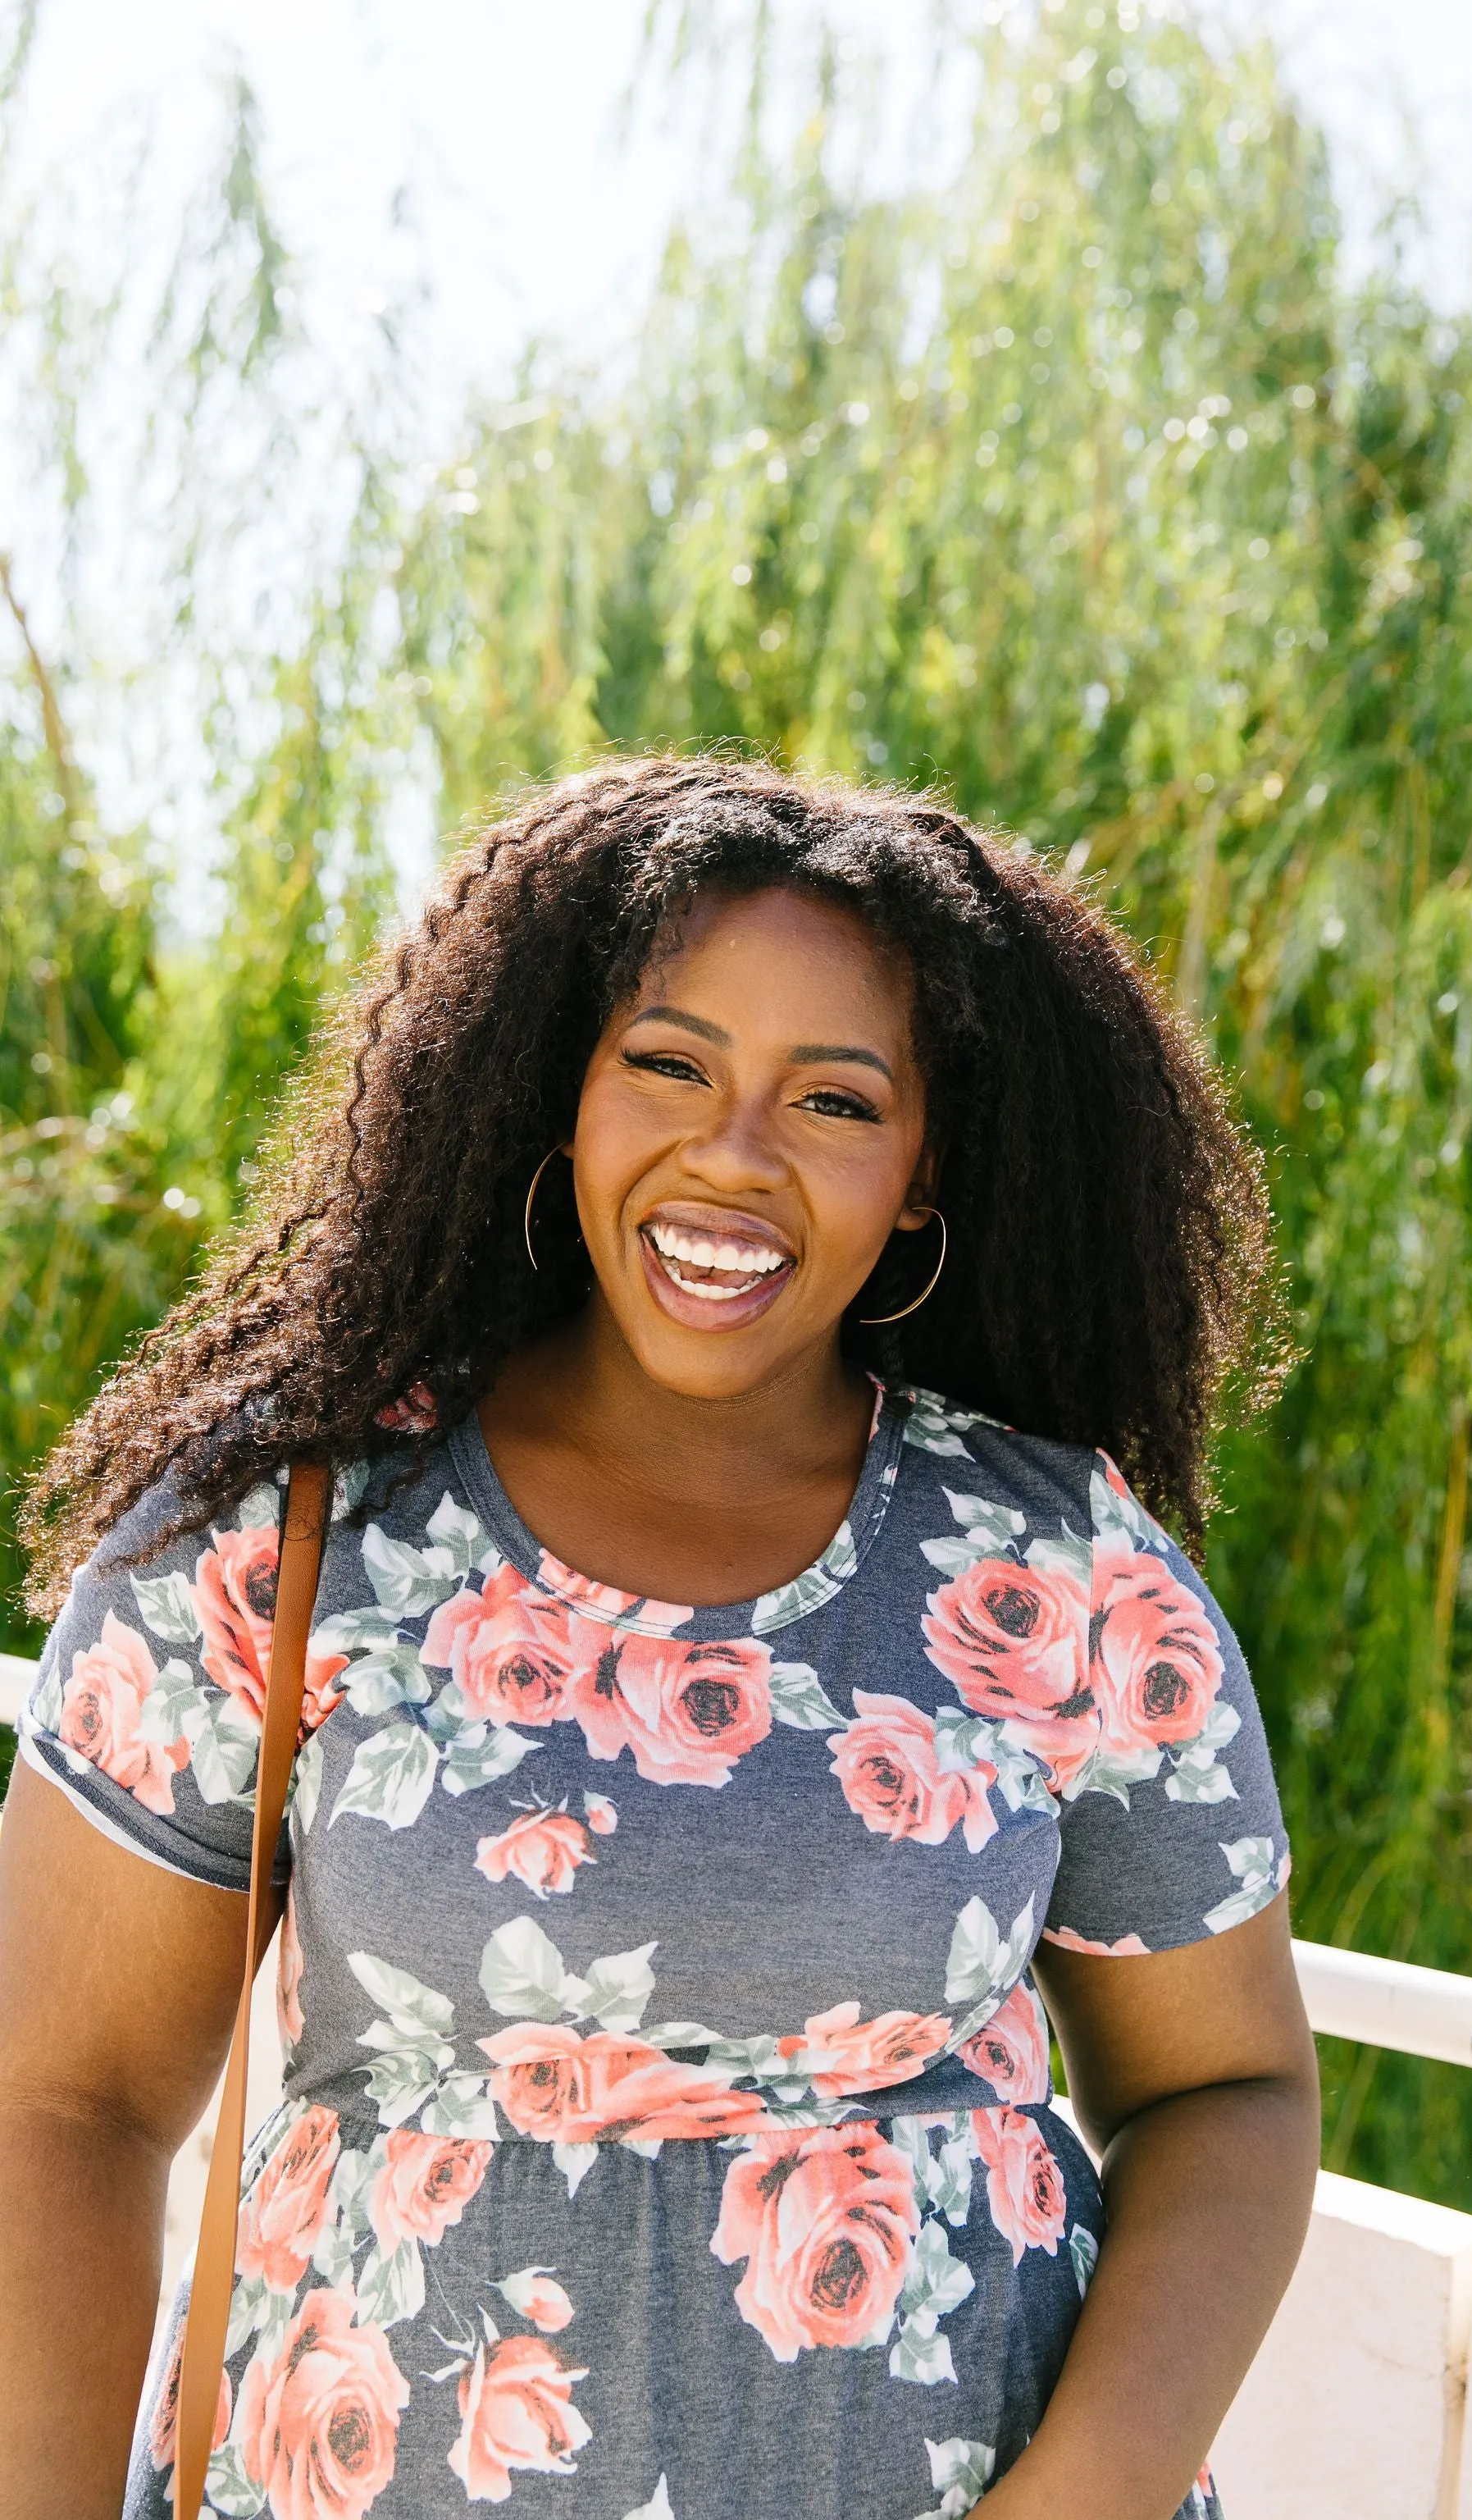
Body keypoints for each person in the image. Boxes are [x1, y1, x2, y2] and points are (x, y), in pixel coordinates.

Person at [0, 759, 1319, 2520]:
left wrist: (1089, 2492)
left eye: (837, 1101)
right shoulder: (285, 1532)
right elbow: (59, 2102)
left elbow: (1224, 2087)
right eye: (669, 1064)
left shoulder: (1059, 1567)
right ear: (559, 1096)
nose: (735, 1152)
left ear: (923, 1177)